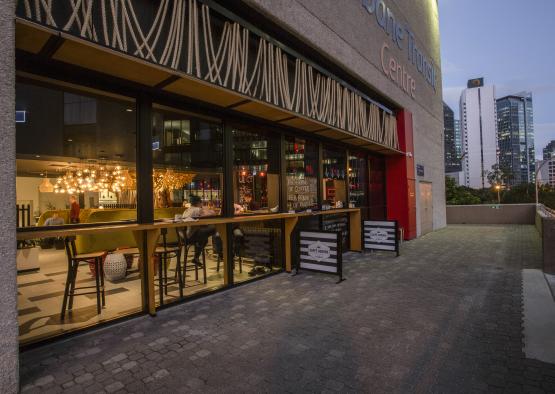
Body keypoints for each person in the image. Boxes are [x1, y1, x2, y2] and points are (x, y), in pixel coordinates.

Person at [182, 195, 215, 266]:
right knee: (214, 228)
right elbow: (211, 214)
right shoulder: (197, 210)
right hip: (192, 236)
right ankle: (220, 250)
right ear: (199, 203)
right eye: (201, 202)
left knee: (204, 236)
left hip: (185, 236)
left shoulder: (186, 210)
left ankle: (196, 255)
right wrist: (210, 209)